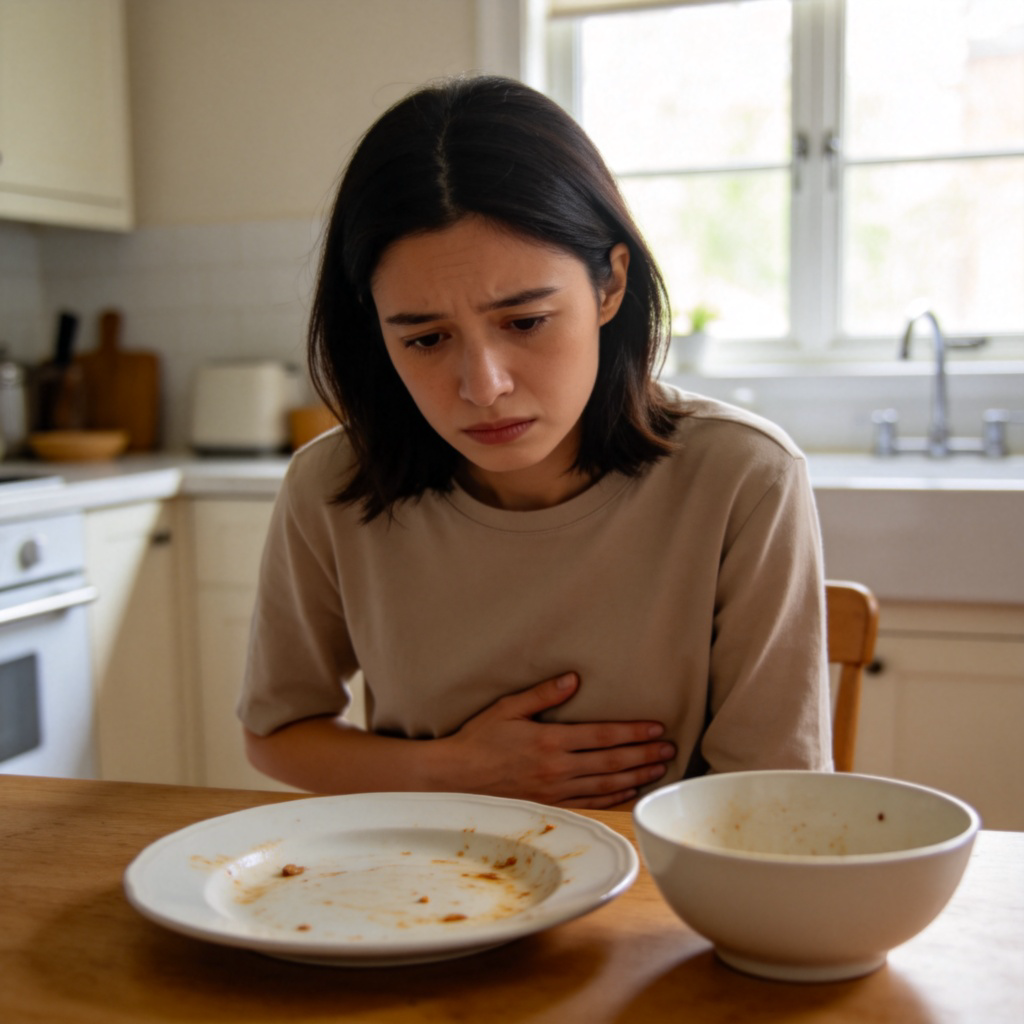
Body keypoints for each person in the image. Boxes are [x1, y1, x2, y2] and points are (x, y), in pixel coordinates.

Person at [239, 74, 831, 809]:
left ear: (610, 284)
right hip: (416, 895)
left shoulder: (744, 477)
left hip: (662, 904)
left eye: (525, 322)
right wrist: (454, 771)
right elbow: (276, 731)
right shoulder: (330, 486)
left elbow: (772, 798)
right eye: (425, 338)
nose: (482, 385)